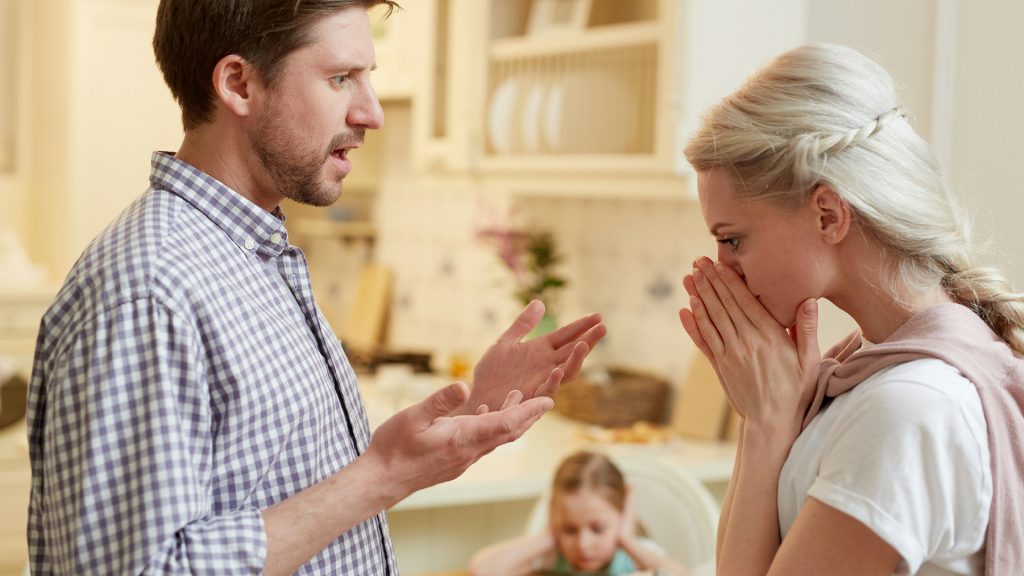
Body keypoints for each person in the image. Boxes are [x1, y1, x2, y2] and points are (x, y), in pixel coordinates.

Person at [25, 1, 607, 574]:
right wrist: (380, 475)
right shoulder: (150, 290)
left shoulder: (253, 255)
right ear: (239, 84)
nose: (372, 113)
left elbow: (292, 490)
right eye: (341, 78)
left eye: (368, 78)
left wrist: (472, 412)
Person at [677, 42, 1024, 575]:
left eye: (734, 239)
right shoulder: (878, 371)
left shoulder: (908, 411)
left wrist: (767, 425)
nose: (723, 268)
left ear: (827, 215)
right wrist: (762, 419)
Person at [469, 450, 690, 576]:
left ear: (622, 514)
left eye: (598, 529)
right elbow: (482, 569)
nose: (583, 544)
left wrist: (626, 538)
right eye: (570, 529)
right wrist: (549, 535)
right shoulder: (553, 555)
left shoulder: (631, 560)